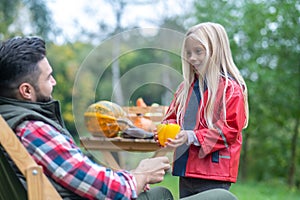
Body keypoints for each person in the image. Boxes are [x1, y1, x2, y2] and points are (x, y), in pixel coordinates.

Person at [0, 36, 173, 200]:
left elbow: (83, 175)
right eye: (48, 77)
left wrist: (132, 176)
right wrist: (142, 174)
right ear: (26, 91)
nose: (54, 82)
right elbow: (106, 189)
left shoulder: (7, 120)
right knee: (162, 194)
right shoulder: (32, 129)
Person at [157, 22, 249, 198]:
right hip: (186, 170)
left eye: (198, 51)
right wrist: (166, 131)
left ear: (216, 50)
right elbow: (171, 118)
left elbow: (229, 131)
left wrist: (191, 136)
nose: (192, 58)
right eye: (188, 53)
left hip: (213, 173)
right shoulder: (185, 89)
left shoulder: (230, 90)